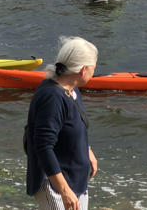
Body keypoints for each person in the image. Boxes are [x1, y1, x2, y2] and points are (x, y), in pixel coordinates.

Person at [26, 36, 99, 210]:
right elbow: (43, 146)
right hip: (56, 186)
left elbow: (75, 126)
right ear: (83, 70)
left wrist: (87, 150)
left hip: (75, 179)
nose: (93, 74)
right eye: (93, 69)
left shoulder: (72, 90)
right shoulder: (52, 97)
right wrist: (64, 190)